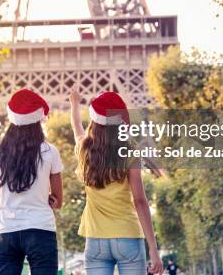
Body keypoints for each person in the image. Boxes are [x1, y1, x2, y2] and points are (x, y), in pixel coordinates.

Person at [69, 88, 163, 275]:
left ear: (95, 119)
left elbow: (77, 127)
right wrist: (153, 247)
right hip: (127, 236)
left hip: (96, 240)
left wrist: (74, 104)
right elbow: (140, 201)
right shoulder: (130, 152)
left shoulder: (84, 150)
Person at [0, 88, 64, 275]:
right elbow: (58, 200)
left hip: (7, 229)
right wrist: (45, 198)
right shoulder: (49, 151)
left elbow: (0, 192)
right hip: (40, 228)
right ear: (38, 119)